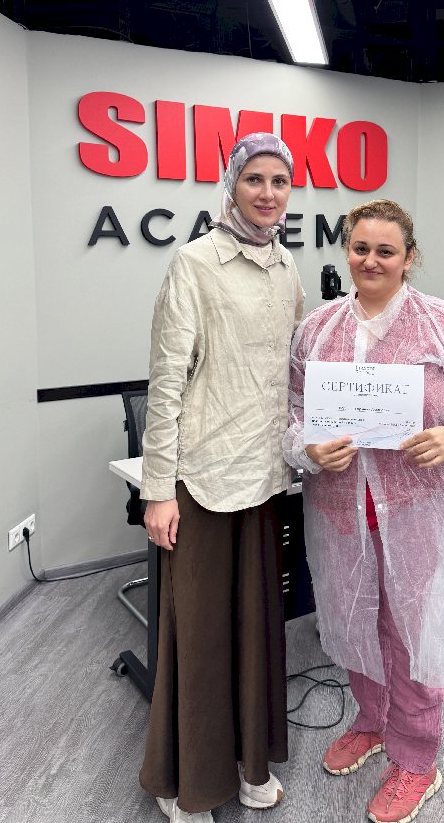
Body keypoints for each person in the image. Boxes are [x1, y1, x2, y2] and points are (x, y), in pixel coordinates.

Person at [283, 200, 444, 823]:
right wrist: (307, 448)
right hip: (339, 507)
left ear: (409, 258)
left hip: (416, 509)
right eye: (361, 249)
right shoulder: (317, 329)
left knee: (414, 631)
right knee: (354, 617)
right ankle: (373, 720)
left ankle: (417, 757)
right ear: (347, 252)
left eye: (386, 251)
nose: (371, 261)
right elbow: (292, 411)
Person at [138, 133, 305, 823]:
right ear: (232, 184)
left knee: (255, 631)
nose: (268, 193)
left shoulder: (287, 265)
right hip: (202, 479)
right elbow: (166, 382)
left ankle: (248, 766)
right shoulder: (195, 263)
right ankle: (186, 785)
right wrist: (157, 490)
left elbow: (292, 372)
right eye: (255, 179)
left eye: (279, 181)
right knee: (201, 636)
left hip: (263, 478)